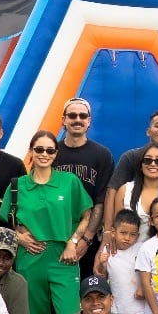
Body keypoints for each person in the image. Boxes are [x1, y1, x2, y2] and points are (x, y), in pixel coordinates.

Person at [0, 131, 91, 314]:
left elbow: (87, 215)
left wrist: (73, 242)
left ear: (55, 154)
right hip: (30, 256)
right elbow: (8, 220)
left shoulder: (69, 182)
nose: (44, 154)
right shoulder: (18, 185)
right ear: (31, 151)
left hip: (63, 256)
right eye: (39, 149)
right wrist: (19, 237)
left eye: (49, 150)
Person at [52, 98, 114, 275]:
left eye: (82, 115)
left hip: (88, 237)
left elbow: (101, 201)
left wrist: (86, 239)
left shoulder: (102, 155)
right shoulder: (50, 152)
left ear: (89, 121)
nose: (77, 119)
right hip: (55, 234)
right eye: (72, 115)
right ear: (63, 120)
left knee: (87, 291)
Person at [105, 111, 158, 236]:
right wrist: (108, 231)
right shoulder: (131, 158)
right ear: (148, 131)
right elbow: (112, 192)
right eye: (157, 125)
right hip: (132, 238)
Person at [112, 143, 158, 241]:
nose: (153, 164)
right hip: (128, 253)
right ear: (141, 165)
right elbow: (117, 227)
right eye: (147, 160)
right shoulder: (125, 191)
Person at [105, 207, 152, 314]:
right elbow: (101, 275)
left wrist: (143, 287)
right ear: (113, 232)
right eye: (123, 233)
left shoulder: (142, 249)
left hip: (141, 312)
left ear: (138, 235)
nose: (127, 238)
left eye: (132, 234)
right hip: (116, 311)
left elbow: (153, 271)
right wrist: (101, 263)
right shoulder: (108, 250)